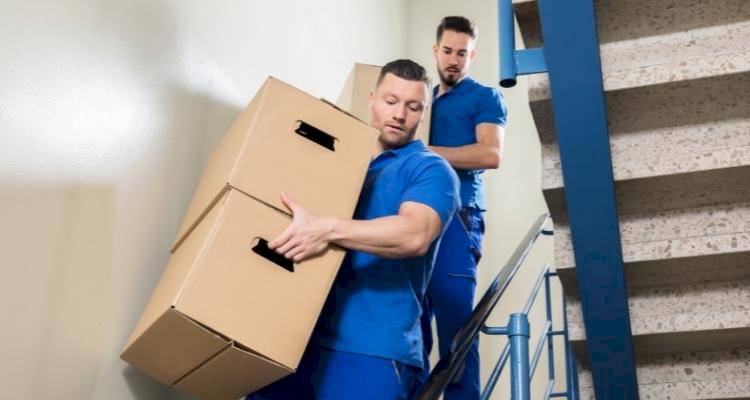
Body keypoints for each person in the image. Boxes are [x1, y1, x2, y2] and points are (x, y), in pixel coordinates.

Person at [247, 59, 460, 400]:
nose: (400, 114)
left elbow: (414, 234)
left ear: (424, 112)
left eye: (413, 106)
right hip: (295, 336)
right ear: (372, 99)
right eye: (391, 101)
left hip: (371, 347)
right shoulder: (339, 164)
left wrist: (328, 229)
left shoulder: (430, 169)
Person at [420, 16, 508, 400]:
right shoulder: (420, 101)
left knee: (456, 327)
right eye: (447, 51)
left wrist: (430, 153)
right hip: (413, 215)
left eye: (462, 53)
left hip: (458, 217)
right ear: (435, 51)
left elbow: (491, 153)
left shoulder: (484, 97)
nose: (453, 60)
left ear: (472, 55)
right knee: (411, 325)